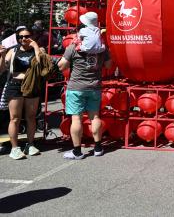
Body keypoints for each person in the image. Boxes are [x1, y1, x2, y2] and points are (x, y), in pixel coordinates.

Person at [57, 12, 112, 160]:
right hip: (94, 86)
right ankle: (98, 147)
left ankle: (77, 151)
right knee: (95, 117)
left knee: (77, 119)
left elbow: (62, 66)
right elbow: (108, 65)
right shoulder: (102, 47)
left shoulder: (74, 46)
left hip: (76, 87)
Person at [0, 26, 50, 159]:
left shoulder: (39, 50)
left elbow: (42, 67)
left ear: (32, 37)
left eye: (27, 36)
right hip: (15, 85)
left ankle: (30, 144)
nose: (24, 39)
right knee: (14, 118)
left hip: (32, 85)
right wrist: (3, 55)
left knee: (31, 117)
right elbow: (2, 69)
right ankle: (15, 148)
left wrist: (35, 47)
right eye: (20, 37)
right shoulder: (13, 50)